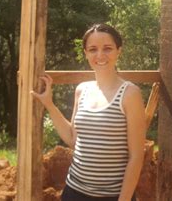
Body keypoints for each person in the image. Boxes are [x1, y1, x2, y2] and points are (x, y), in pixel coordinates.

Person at [31, 23, 146, 201]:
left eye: (107, 48)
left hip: (112, 196)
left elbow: (136, 156)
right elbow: (73, 139)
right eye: (93, 49)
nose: (100, 55)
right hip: (74, 192)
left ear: (118, 51)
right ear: (86, 53)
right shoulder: (81, 90)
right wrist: (49, 104)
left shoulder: (130, 94)